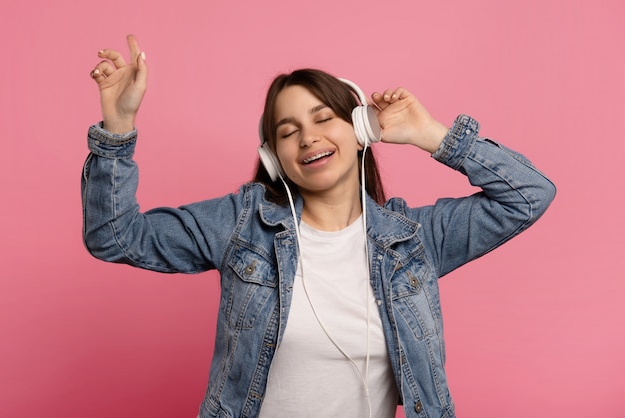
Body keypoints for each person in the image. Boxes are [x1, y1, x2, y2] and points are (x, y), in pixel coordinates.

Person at [83, 35, 556, 418]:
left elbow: (529, 194)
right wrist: (118, 125)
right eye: (287, 132)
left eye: (324, 118)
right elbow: (114, 235)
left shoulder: (414, 240)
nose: (308, 137)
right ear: (275, 159)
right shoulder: (241, 226)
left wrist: (428, 133)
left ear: (361, 132)